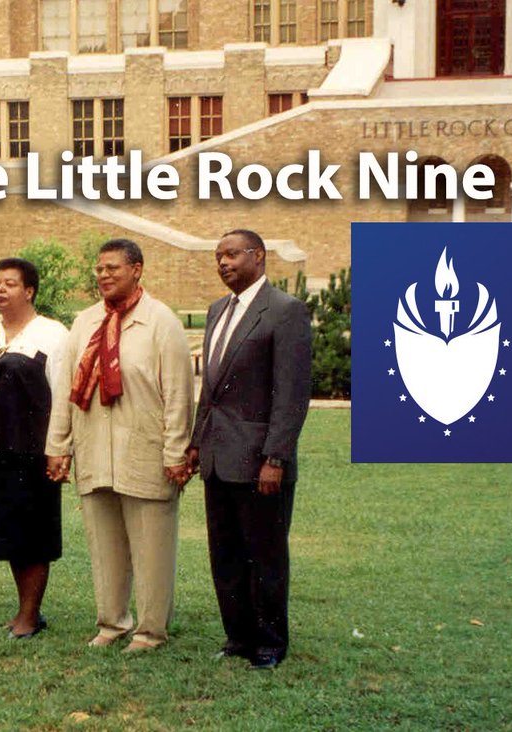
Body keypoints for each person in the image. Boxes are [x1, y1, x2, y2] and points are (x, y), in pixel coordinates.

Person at [46, 239, 194, 653]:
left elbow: (179, 394)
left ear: (137, 270)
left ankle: (150, 631)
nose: (104, 275)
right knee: (104, 545)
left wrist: (175, 452)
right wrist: (58, 446)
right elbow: (65, 391)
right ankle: (112, 622)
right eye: (99, 269)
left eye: (113, 268)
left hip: (144, 451)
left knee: (152, 548)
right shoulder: (85, 322)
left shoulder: (160, 322)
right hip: (95, 449)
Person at [186, 229, 312, 670]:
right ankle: (237, 636)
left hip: (261, 462)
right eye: (218, 256)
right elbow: (211, 391)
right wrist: (197, 444)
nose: (223, 262)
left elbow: (292, 394)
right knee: (226, 554)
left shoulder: (285, 311)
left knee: (266, 554)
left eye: (232, 254)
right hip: (219, 459)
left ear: (258, 257)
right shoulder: (218, 309)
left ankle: (270, 643)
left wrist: (275, 457)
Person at [0, 258, 69, 639]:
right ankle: (26, 609)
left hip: (34, 452)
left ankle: (30, 615)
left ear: (29, 291)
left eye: (9, 283)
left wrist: (59, 448)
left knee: (33, 534)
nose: (0, 290)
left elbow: (62, 393)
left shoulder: (53, 334)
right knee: (6, 533)